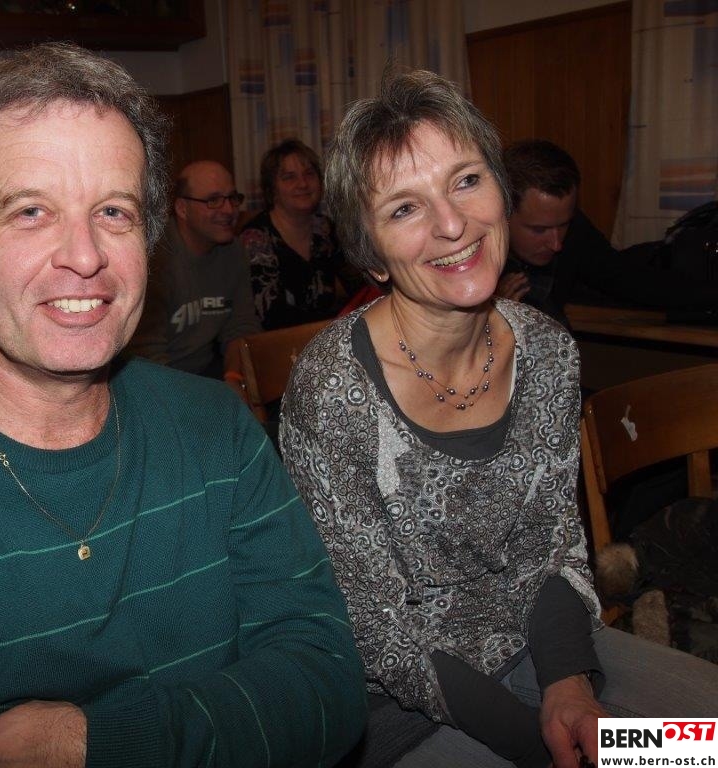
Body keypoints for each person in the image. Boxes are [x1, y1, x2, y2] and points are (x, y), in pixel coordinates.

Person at [0, 43, 367, 767]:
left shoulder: (219, 429)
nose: (85, 256)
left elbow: (327, 692)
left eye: (114, 211)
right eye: (31, 211)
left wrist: (81, 742)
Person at [280, 70, 718, 768]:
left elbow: (552, 542)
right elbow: (375, 628)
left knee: (701, 747)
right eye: (404, 208)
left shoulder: (546, 350)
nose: (453, 224)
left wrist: (569, 686)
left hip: (544, 649)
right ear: (371, 253)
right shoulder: (332, 388)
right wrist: (542, 748)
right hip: (407, 704)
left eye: (466, 180)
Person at [497, 139, 718, 325]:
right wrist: (488, 320)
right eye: (539, 230)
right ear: (501, 213)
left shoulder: (575, 231)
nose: (556, 244)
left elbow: (629, 280)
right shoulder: (480, 256)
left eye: (563, 225)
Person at [126, 160, 261, 378]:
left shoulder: (233, 251)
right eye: (213, 200)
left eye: (232, 198)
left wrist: (234, 378)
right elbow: (147, 353)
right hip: (155, 378)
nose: (229, 210)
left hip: (206, 375)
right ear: (182, 209)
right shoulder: (155, 257)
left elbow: (241, 327)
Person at [239, 139, 361, 329]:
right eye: (289, 177)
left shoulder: (325, 229)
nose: (303, 183)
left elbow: (358, 285)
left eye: (309, 174)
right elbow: (272, 316)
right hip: (280, 341)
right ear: (272, 189)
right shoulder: (256, 238)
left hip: (327, 335)